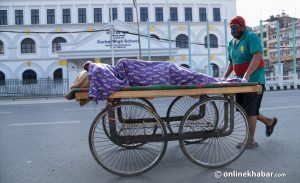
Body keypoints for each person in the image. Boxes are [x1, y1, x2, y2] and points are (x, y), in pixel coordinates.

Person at [223, 16, 278, 149]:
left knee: (250, 111)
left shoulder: (251, 37)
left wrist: (247, 76)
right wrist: (224, 78)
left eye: (235, 27)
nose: (233, 30)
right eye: (231, 28)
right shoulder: (232, 43)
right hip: (240, 81)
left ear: (242, 26)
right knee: (245, 109)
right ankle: (269, 122)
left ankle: (250, 141)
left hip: (254, 81)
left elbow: (257, 56)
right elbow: (232, 63)